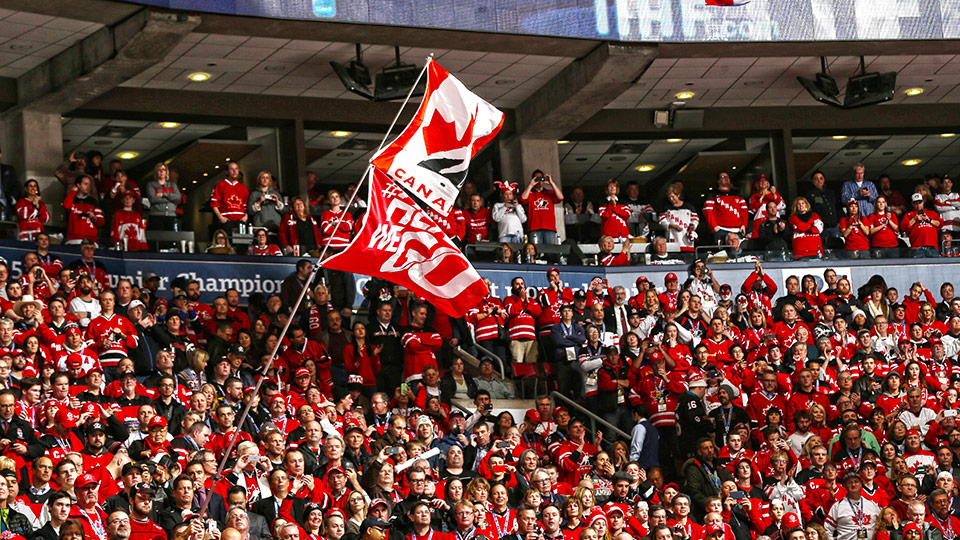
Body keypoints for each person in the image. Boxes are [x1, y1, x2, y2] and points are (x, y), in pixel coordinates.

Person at [825, 470, 881, 540]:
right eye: (849, 482)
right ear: (844, 486)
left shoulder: (872, 504)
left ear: (861, 484)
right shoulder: (837, 506)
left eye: (856, 482)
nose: (853, 484)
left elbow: (882, 526)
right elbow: (827, 530)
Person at [703, 171, 748, 243]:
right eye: (723, 177)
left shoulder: (737, 194)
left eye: (727, 177)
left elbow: (744, 211)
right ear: (718, 181)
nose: (726, 179)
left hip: (738, 230)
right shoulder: (713, 194)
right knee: (722, 253)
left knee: (738, 252)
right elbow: (707, 211)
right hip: (721, 230)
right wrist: (714, 227)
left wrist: (744, 225)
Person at [520, 170, 562, 245]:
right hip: (534, 227)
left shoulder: (549, 193)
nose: (539, 181)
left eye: (541, 178)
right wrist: (531, 185)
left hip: (549, 228)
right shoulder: (530, 194)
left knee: (551, 252)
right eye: (537, 178)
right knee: (535, 252)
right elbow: (522, 199)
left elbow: (560, 197)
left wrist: (552, 183)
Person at [903, 192, 942, 258]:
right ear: (912, 204)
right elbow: (904, 227)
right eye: (916, 203)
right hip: (917, 247)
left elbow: (939, 224)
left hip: (932, 247)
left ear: (923, 202)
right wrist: (915, 218)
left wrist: (929, 220)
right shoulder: (909, 214)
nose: (918, 206)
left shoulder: (931, 213)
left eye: (920, 203)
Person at [145, 162, 181, 233]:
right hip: (156, 216)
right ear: (156, 172)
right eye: (159, 170)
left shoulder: (172, 185)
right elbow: (153, 199)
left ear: (166, 172)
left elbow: (178, 197)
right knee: (158, 239)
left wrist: (164, 194)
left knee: (171, 239)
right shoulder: (151, 185)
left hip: (171, 216)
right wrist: (171, 199)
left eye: (163, 170)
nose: (161, 172)